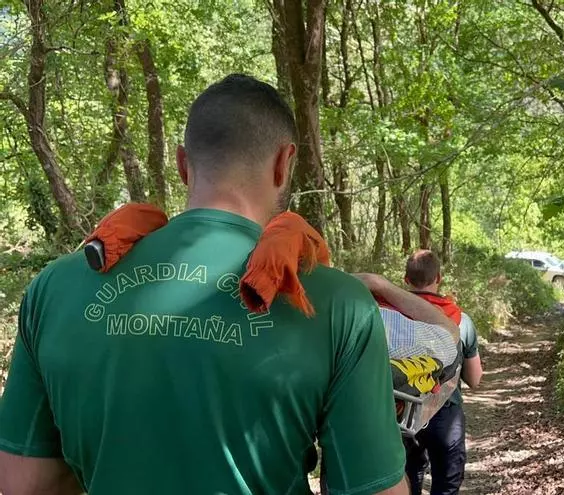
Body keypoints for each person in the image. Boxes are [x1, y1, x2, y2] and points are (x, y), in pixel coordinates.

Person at [0, 74, 410, 495]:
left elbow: (24, 485)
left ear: (182, 164)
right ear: (284, 164)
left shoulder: (55, 289)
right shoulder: (338, 304)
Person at [402, 250, 483, 495]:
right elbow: (474, 378)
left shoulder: (388, 314)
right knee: (447, 484)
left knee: (407, 476)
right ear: (439, 277)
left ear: (406, 280)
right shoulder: (461, 321)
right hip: (444, 413)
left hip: (400, 413)